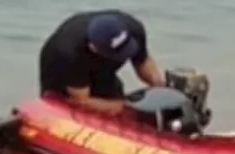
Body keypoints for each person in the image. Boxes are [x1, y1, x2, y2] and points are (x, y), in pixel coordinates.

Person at [38, 10, 166, 113]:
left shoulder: (134, 30)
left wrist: (160, 88)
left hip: (101, 65)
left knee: (114, 99)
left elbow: (142, 61)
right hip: (59, 67)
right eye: (118, 55)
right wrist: (124, 106)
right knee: (70, 108)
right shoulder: (69, 52)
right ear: (93, 48)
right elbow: (81, 100)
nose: (123, 58)